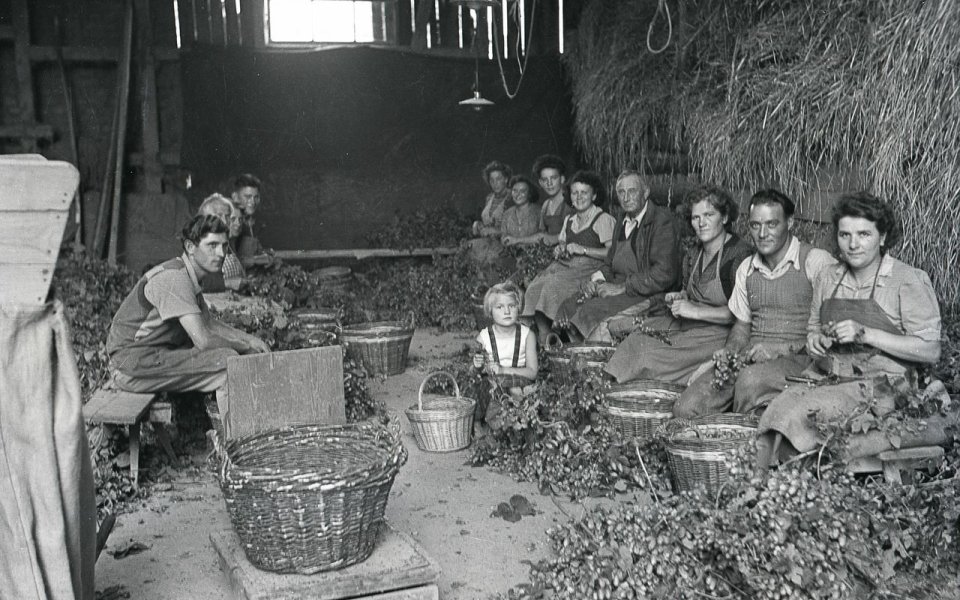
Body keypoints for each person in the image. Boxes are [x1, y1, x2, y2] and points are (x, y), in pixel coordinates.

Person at [756, 192, 942, 466]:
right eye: (845, 235)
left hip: (883, 387)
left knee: (800, 414)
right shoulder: (828, 277)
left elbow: (931, 351)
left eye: (864, 234)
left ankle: (789, 481)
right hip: (829, 376)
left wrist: (866, 334)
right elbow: (812, 330)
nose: (853, 244)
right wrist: (816, 340)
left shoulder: (907, 280)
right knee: (775, 409)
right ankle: (767, 483)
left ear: (883, 237)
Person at [673, 189, 837, 418]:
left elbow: (831, 332)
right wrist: (729, 352)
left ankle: (747, 435)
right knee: (686, 407)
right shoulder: (747, 268)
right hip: (750, 360)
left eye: (771, 224)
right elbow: (741, 326)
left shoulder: (815, 261)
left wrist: (780, 350)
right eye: (755, 225)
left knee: (750, 382)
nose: (762, 233)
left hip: (802, 360)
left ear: (790, 223)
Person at [106, 215, 271, 402]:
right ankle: (231, 431)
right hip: (128, 367)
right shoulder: (175, 278)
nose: (220, 253)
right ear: (191, 247)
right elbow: (204, 340)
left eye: (224, 246)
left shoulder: (185, 273)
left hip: (146, 358)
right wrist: (244, 346)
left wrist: (250, 339)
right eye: (212, 245)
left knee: (228, 356)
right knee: (229, 363)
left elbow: (209, 324)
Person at [605, 186, 753, 384]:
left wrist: (695, 311)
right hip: (689, 323)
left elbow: (743, 316)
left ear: (725, 217)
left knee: (646, 354)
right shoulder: (694, 252)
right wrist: (681, 296)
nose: (701, 223)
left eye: (709, 215)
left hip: (718, 333)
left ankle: (639, 392)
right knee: (622, 329)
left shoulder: (738, 255)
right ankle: (615, 385)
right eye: (695, 217)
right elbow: (690, 290)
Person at [554, 170, 682, 341]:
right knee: (569, 305)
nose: (626, 197)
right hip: (620, 285)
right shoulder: (622, 219)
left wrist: (622, 288)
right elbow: (610, 261)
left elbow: (663, 274)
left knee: (592, 311)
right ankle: (576, 357)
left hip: (647, 293)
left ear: (646, 192)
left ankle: (591, 360)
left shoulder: (661, 222)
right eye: (621, 192)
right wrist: (596, 280)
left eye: (632, 191)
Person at [521, 170, 617, 345]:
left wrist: (583, 249)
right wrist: (560, 249)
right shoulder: (570, 220)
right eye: (575, 193)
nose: (579, 197)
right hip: (567, 266)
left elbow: (612, 254)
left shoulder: (603, 219)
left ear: (594, 196)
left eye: (584, 193)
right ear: (570, 196)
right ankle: (546, 337)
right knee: (535, 285)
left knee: (552, 285)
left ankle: (561, 338)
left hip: (590, 269)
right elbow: (563, 245)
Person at [473, 282, 539, 428]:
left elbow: (533, 372)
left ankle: (517, 424)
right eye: (500, 307)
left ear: (519, 308)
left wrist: (504, 370)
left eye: (512, 306)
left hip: (519, 383)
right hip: (493, 387)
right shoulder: (483, 338)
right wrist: (478, 366)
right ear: (490, 311)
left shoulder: (527, 335)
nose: (507, 311)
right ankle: (486, 425)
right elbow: (479, 372)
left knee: (515, 390)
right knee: (479, 388)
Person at [504, 155, 573, 245]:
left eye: (553, 178)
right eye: (545, 179)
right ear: (540, 182)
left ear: (562, 179)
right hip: (551, 253)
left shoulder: (571, 202)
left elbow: (570, 236)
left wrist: (517, 240)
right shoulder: (545, 205)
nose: (549, 183)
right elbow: (541, 235)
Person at [197, 193, 245, 293]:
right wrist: (228, 283)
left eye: (227, 216)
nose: (224, 221)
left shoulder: (227, 244)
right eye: (218, 215)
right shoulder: (199, 245)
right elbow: (195, 282)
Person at [472, 161, 514, 237]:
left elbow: (516, 229)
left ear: (506, 179)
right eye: (492, 180)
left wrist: (495, 231)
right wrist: (479, 225)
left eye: (498, 179)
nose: (495, 183)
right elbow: (488, 222)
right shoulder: (489, 198)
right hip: (489, 241)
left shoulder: (512, 197)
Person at [501, 175, 542, 245]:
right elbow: (503, 237)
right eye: (515, 191)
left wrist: (517, 240)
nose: (518, 194)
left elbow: (544, 238)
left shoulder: (539, 212)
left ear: (529, 193)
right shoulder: (507, 214)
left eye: (522, 191)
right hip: (511, 254)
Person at [230, 173, 263, 260]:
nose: (253, 202)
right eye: (248, 197)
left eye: (256, 197)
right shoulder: (228, 222)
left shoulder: (252, 222)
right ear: (235, 197)